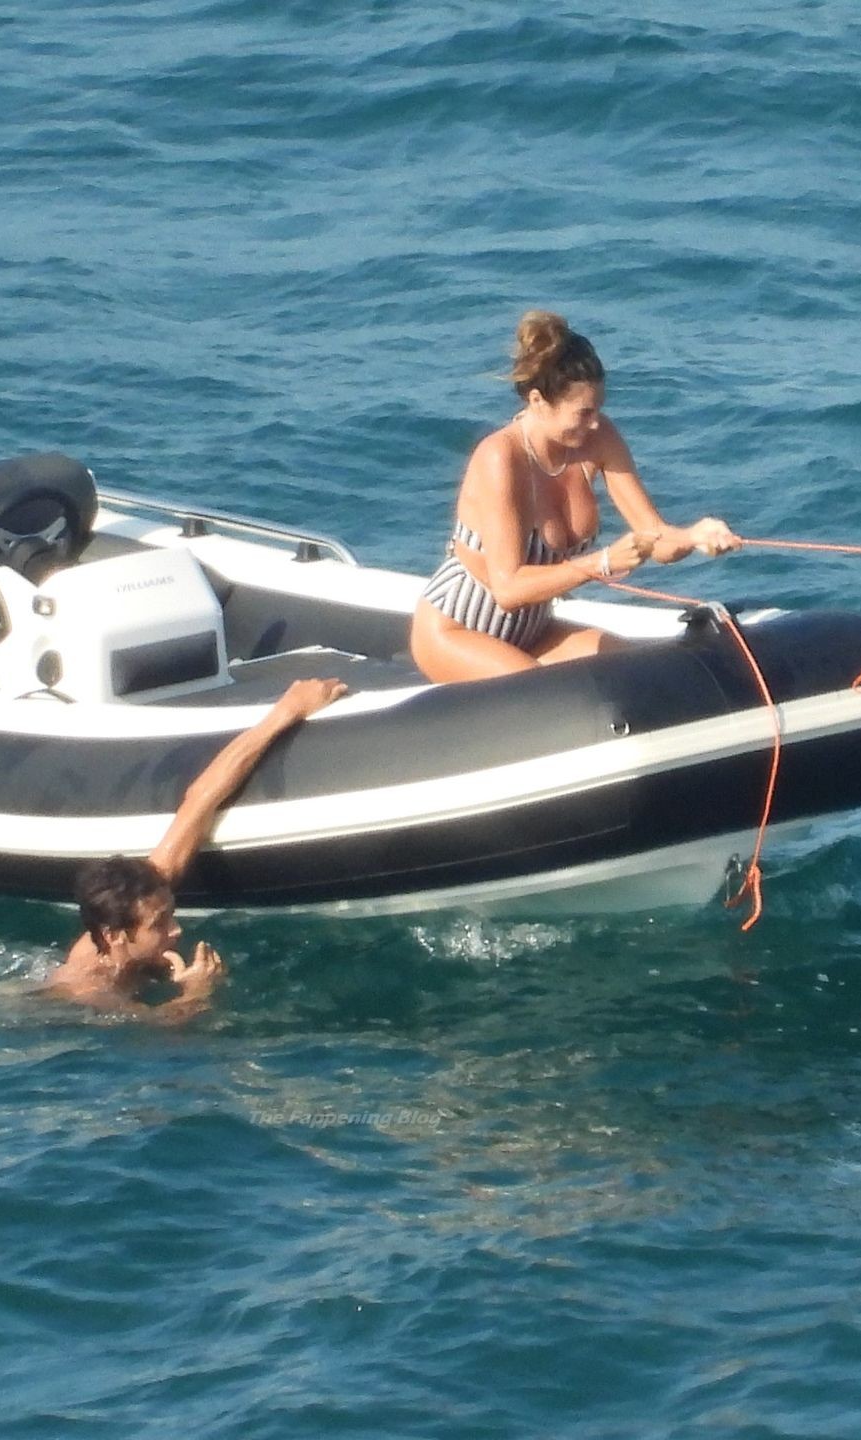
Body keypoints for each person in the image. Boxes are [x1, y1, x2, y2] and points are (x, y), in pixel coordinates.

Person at [410, 310, 743, 683]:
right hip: (458, 629)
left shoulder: (599, 438)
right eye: (583, 412)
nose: (595, 422)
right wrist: (600, 563)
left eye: (599, 408)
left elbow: (655, 538)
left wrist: (693, 537)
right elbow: (508, 589)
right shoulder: (501, 457)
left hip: (534, 632)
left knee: (638, 675)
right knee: (547, 695)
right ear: (538, 401)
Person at [47, 677, 347, 1016]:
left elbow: (201, 799)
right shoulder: (91, 988)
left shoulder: (144, 895)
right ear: (114, 936)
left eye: (170, 915)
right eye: (159, 924)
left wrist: (288, 710)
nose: (176, 929)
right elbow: (154, 1032)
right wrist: (196, 992)